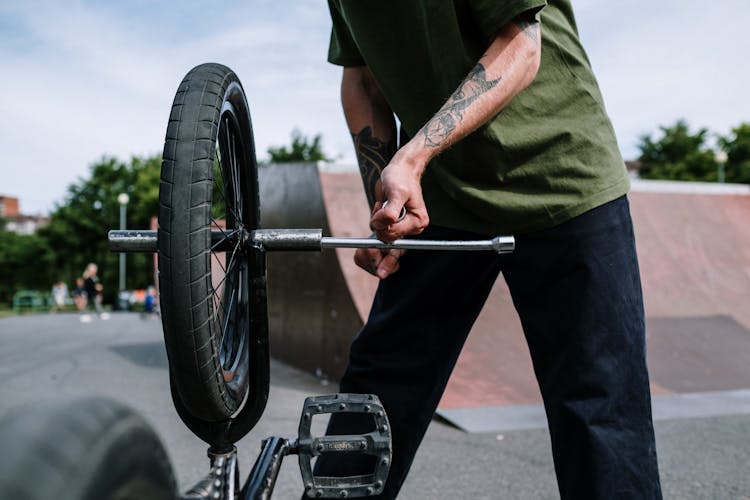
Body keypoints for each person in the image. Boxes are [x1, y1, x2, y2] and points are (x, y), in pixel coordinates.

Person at [315, 1, 662, 499]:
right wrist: (384, 201)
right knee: (380, 387)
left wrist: (413, 156)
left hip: (563, 181)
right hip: (441, 198)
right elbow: (363, 80)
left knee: (598, 409)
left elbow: (521, 45)